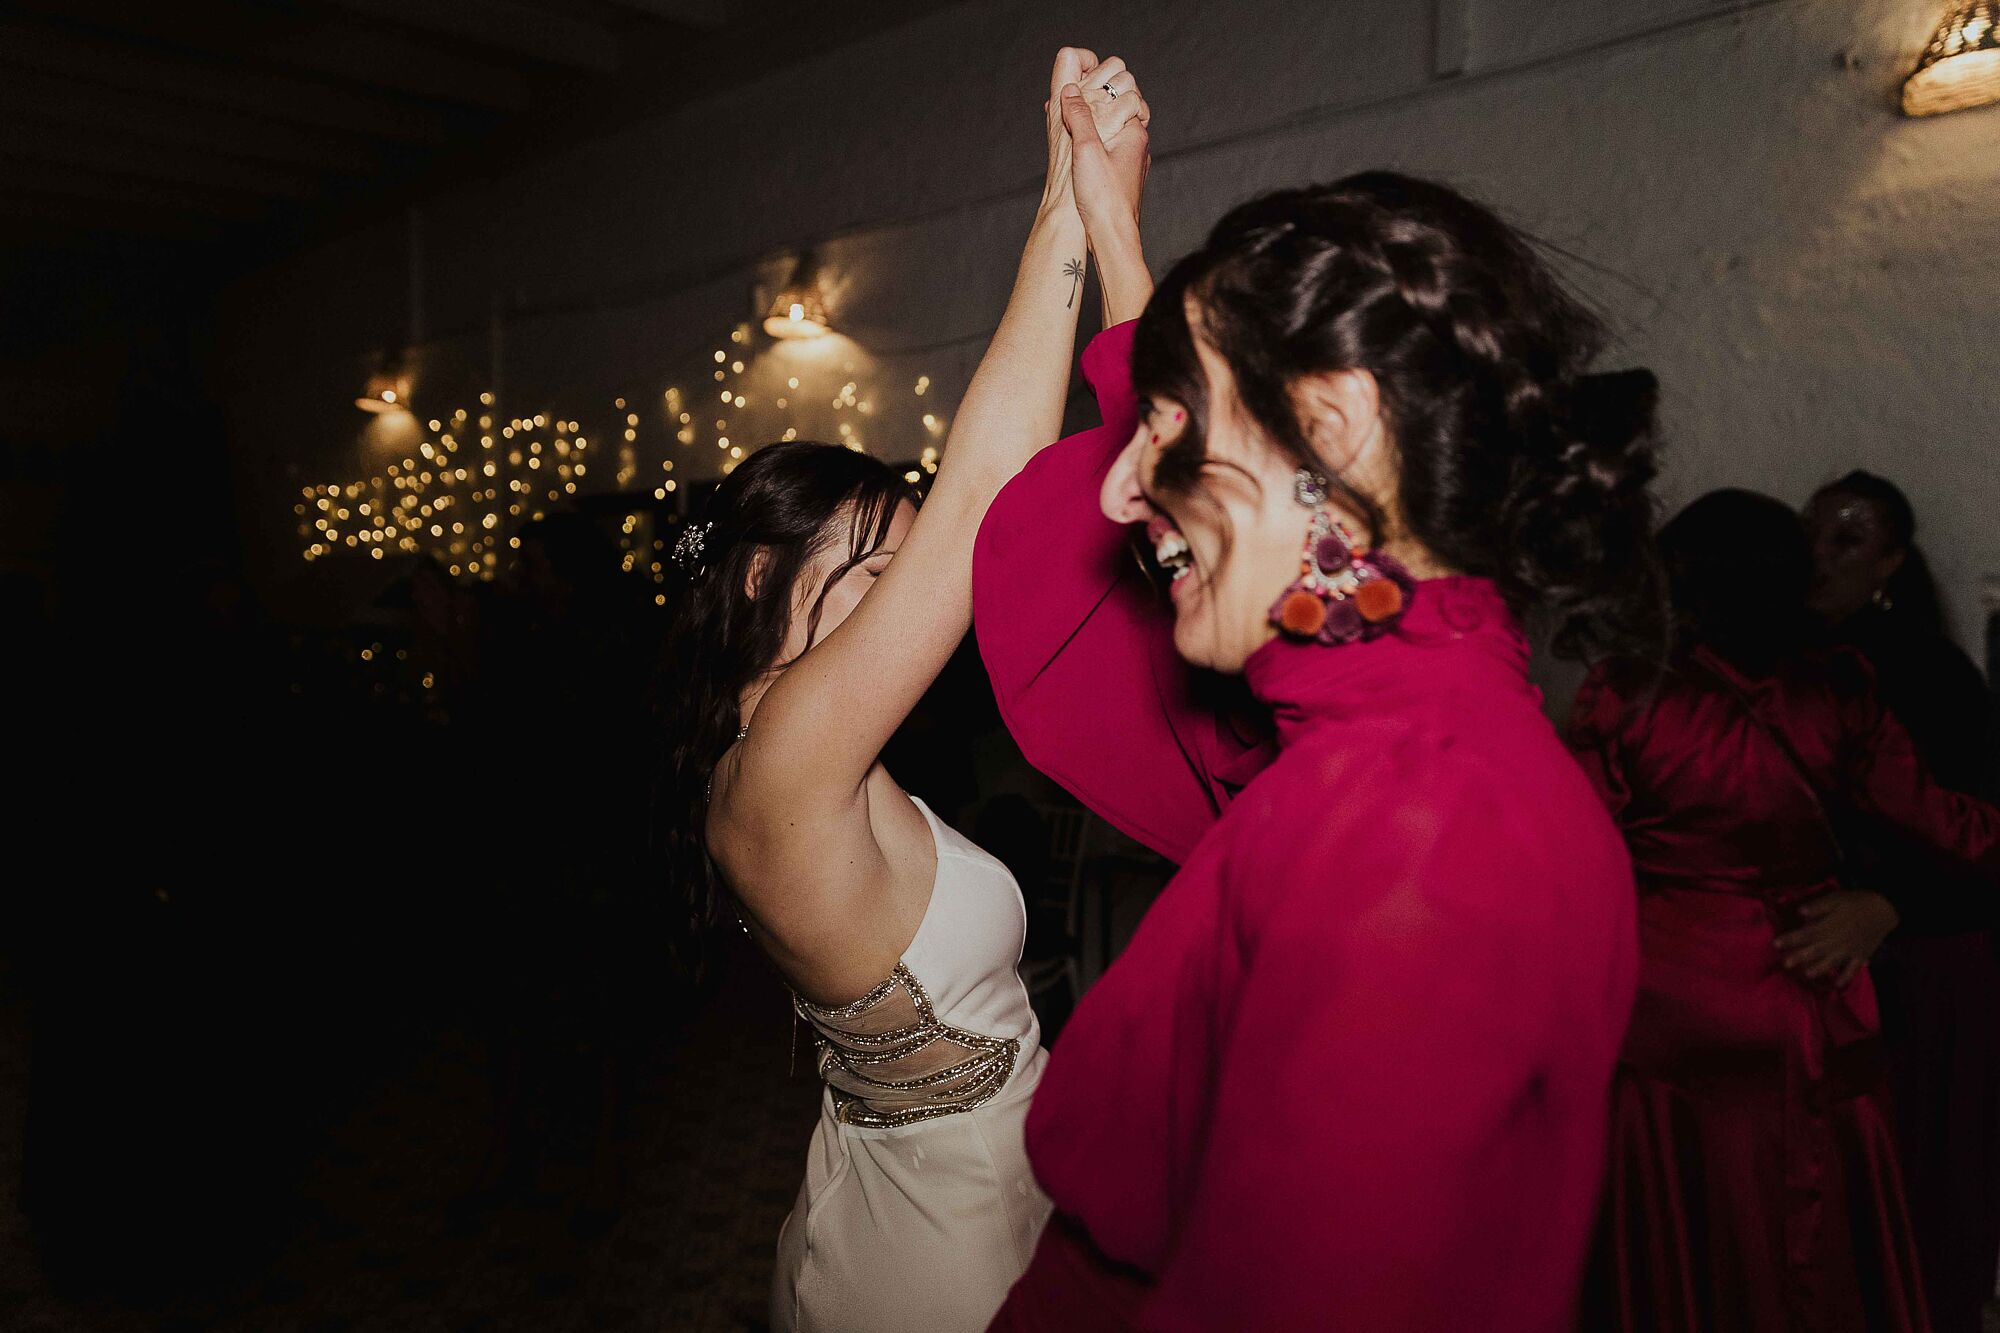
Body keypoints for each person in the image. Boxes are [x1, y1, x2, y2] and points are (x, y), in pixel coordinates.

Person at [975, 170, 1666, 1328]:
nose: (1113, 492)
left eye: (1165, 427)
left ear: (1334, 424)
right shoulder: (1367, 743)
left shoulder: (1418, 820)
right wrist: (1101, 231)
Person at [652, 50, 1150, 1333]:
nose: (904, 594)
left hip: (946, 1186)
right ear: (763, 576)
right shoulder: (781, 763)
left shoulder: (818, 747)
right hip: (941, 1250)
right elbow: (981, 505)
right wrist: (1068, 208)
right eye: (870, 565)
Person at [1567, 488, 2000, 1333]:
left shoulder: (1625, 694)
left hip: (1666, 1004)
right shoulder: (1838, 690)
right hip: (1803, 996)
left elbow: (1571, 846)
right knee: (1808, 1236)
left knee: (1679, 1224)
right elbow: (1947, 826)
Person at [1804, 472, 2000, 1333]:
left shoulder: (1928, 671)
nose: (1820, 555)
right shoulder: (1776, 659)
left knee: (1919, 1192)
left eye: (1846, 539)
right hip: (1818, 970)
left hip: (1922, 966)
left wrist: (1892, 904)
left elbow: (1981, 828)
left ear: (1888, 561)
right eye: (1812, 534)